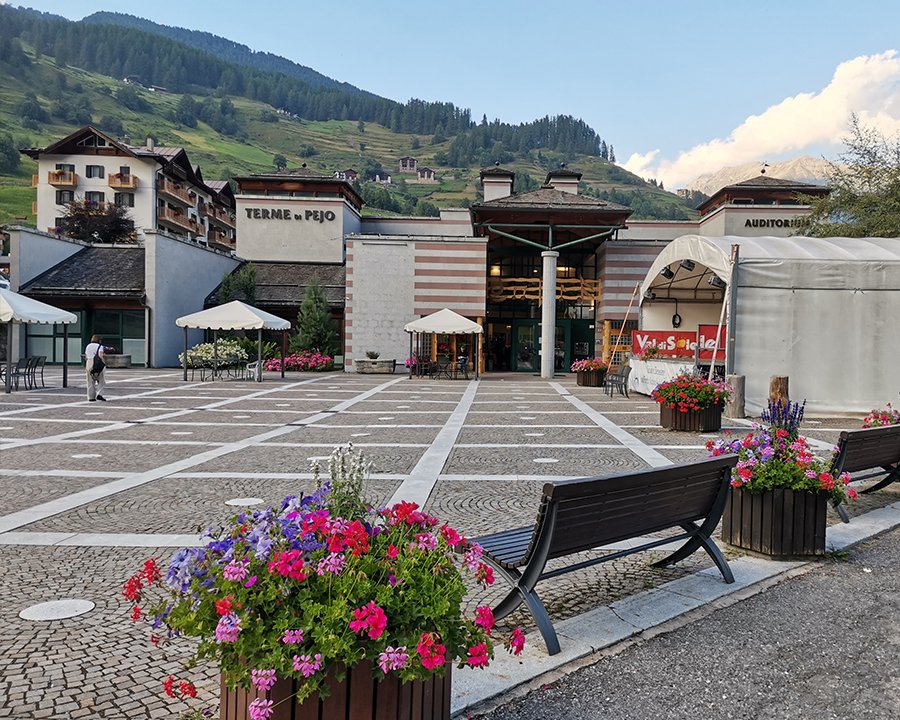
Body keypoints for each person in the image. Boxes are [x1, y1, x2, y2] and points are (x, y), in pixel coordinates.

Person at [84, 334, 107, 402]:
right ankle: (99, 394)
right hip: (97, 363)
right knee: (101, 380)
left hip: (89, 362)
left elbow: (86, 356)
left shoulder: (88, 346)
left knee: (90, 381)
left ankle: (91, 397)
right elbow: (100, 355)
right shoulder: (100, 346)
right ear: (99, 340)